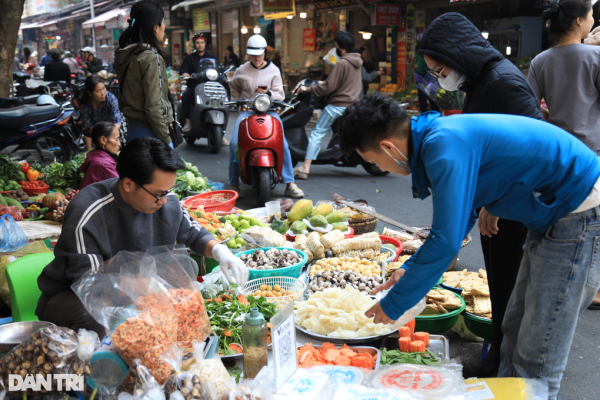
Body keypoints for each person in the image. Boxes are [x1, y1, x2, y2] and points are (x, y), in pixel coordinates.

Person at [339, 92, 600, 400]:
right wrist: (406, 271)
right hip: (552, 214)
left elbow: (447, 240)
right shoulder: (437, 140)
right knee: (514, 328)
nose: (381, 168)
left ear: (388, 147)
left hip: (578, 212)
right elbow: (461, 219)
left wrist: (394, 304)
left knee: (539, 351)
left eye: (373, 162)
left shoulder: (443, 147)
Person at [417, 12, 543, 377]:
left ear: (458, 55)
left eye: (441, 70)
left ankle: (505, 370)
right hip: (499, 204)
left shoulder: (502, 83)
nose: (442, 79)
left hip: (515, 208)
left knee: (510, 291)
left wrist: (495, 204)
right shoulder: (482, 81)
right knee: (503, 291)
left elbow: (532, 150)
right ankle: (497, 361)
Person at [36, 137, 248, 337]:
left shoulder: (165, 200)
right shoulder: (89, 211)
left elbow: (193, 232)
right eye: (159, 193)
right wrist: (143, 288)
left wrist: (220, 251)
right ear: (128, 184)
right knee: (96, 319)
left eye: (168, 191)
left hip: (137, 290)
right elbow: (89, 284)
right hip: (73, 297)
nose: (164, 201)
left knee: (186, 275)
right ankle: (103, 371)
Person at [529, 0, 600, 310]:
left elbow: (528, 110)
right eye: (591, 15)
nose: (593, 19)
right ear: (577, 21)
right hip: (594, 156)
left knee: (563, 222)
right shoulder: (595, 57)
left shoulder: (540, 61)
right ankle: (592, 289)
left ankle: (561, 281)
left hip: (557, 158)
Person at [228, 34, 304, 199]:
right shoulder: (241, 70)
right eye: (253, 55)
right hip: (247, 111)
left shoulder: (274, 70)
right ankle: (234, 183)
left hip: (269, 111)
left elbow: (280, 94)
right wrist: (237, 102)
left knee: (282, 144)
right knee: (235, 142)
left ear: (265, 52)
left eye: (259, 54)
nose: (256, 58)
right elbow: (234, 86)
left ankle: (290, 183)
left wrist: (269, 93)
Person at [294, 31, 362, 179]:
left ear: (340, 46)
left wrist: (309, 89)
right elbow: (342, 83)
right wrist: (322, 83)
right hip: (351, 105)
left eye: (336, 44)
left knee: (317, 132)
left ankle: (305, 167)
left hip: (337, 105)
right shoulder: (356, 62)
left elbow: (329, 87)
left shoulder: (342, 63)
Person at [114, 0, 174, 146]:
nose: (164, 28)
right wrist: (166, 140)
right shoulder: (151, 58)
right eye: (163, 23)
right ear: (155, 27)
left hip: (134, 131)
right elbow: (154, 107)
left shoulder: (129, 55)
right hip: (152, 134)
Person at [179, 32, 228, 146]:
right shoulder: (189, 58)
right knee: (186, 96)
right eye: (197, 43)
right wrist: (186, 74)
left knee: (224, 100)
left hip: (211, 87)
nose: (200, 45)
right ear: (194, 44)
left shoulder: (212, 58)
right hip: (195, 87)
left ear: (205, 44)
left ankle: (222, 134)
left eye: (202, 43)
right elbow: (184, 70)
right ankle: (188, 122)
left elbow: (219, 71)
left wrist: (224, 77)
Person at [80, 75, 121, 151]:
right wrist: (89, 151)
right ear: (90, 93)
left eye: (104, 88)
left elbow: (117, 122)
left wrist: (109, 138)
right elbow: (87, 130)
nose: (103, 93)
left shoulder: (111, 99)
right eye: (98, 91)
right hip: (96, 135)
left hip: (113, 132)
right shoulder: (85, 104)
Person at [79, 122, 120, 189]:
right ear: (103, 140)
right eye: (116, 139)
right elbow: (120, 189)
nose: (119, 144)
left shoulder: (96, 156)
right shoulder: (104, 164)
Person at [414, 43, 439, 113]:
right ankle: (437, 116)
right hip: (432, 81)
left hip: (423, 81)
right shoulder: (431, 55)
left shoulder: (423, 57)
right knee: (433, 101)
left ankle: (424, 118)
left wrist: (415, 73)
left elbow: (420, 70)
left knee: (422, 102)